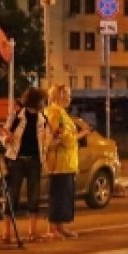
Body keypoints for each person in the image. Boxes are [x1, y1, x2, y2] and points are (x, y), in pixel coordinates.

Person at [2, 87, 50, 242]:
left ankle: (32, 233)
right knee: (12, 195)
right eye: (42, 100)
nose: (44, 103)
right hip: (16, 159)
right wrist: (6, 139)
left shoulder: (43, 119)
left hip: (35, 160)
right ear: (36, 101)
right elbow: (4, 133)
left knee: (34, 196)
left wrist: (53, 138)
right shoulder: (17, 116)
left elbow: (47, 140)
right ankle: (6, 233)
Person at [45, 84, 79, 239]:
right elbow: (55, 134)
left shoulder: (61, 112)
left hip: (66, 161)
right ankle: (52, 229)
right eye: (68, 95)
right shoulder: (54, 112)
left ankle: (60, 227)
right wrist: (72, 137)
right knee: (58, 195)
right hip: (58, 162)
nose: (70, 98)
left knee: (65, 196)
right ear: (60, 96)